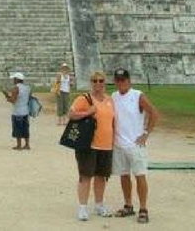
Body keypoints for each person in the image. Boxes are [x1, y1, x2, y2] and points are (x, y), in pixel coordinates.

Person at [112, 68, 159, 224]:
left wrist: (146, 133)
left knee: (140, 176)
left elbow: (154, 113)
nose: (120, 83)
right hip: (119, 143)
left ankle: (143, 208)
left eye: (123, 80)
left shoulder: (137, 95)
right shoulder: (114, 96)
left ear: (129, 81)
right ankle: (128, 204)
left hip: (135, 144)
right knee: (124, 175)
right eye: (118, 80)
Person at [68, 71, 114, 221]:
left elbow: (113, 121)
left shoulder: (109, 99)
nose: (98, 84)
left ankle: (99, 204)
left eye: (101, 81)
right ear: (91, 83)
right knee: (86, 176)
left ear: (104, 83)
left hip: (106, 145)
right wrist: (88, 112)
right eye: (94, 81)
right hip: (89, 144)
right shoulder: (84, 99)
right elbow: (72, 114)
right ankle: (82, 207)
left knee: (101, 177)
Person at [2, 72, 31, 150]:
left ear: (17, 80)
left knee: (18, 129)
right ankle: (27, 145)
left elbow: (13, 100)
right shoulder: (27, 87)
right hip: (25, 111)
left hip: (17, 112)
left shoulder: (15, 88)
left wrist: (6, 96)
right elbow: (28, 99)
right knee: (25, 128)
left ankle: (19, 145)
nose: (13, 81)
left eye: (14, 79)